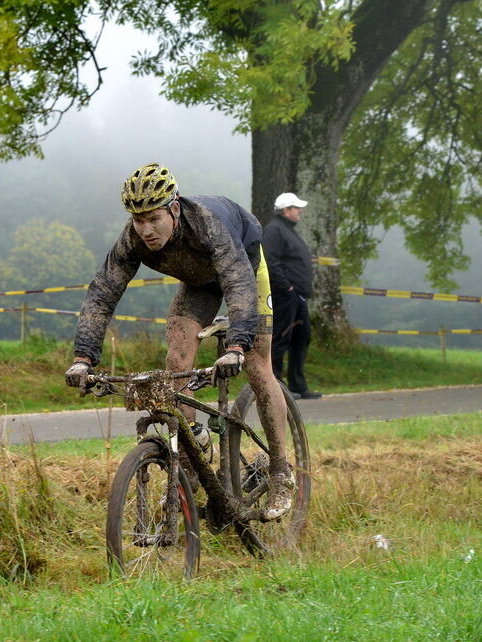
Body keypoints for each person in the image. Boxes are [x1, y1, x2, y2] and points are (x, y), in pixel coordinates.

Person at [64, 163, 294, 520]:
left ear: (173, 209)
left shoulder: (209, 225)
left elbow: (237, 285)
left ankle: (281, 471)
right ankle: (190, 456)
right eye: (138, 221)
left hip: (243, 267)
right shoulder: (132, 238)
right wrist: (83, 357)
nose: (146, 230)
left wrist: (236, 345)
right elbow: (102, 293)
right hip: (198, 282)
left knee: (255, 363)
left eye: (154, 218)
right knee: (176, 362)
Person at [262, 192, 322, 400]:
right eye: (297, 208)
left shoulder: (288, 230)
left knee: (301, 338)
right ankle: (276, 384)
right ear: (287, 210)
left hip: (298, 297)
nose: (300, 212)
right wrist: (286, 288)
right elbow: (270, 260)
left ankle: (298, 385)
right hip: (286, 296)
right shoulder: (275, 230)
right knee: (281, 337)